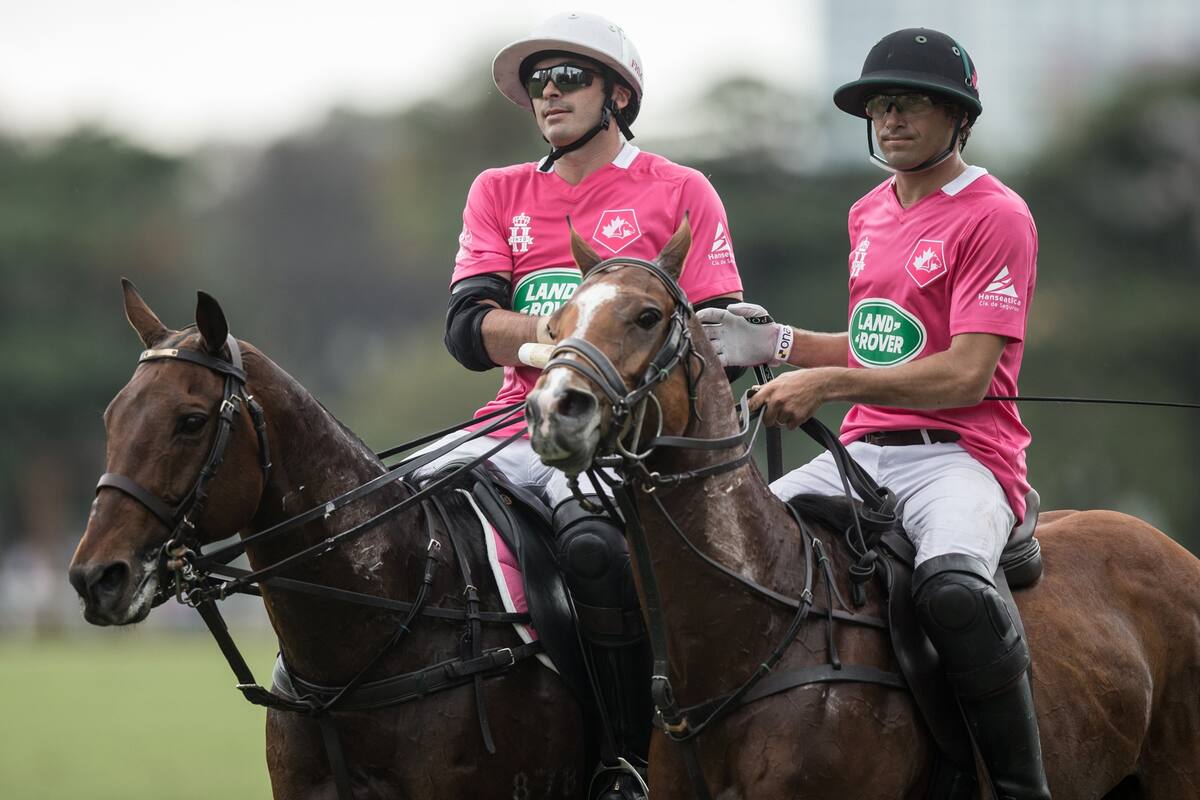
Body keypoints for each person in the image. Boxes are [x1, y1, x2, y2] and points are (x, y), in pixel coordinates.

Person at [696, 28, 1051, 800]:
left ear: (959, 118)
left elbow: (965, 371)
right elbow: (877, 347)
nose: (891, 119)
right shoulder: (868, 212)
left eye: (912, 105)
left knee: (954, 589)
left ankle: (1019, 786)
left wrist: (824, 384)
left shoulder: (996, 215)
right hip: (864, 452)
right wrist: (782, 341)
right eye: (881, 106)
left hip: (962, 458)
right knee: (726, 555)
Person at [426, 11, 745, 795]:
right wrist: (571, 331)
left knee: (595, 555)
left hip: (625, 442)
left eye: (570, 78)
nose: (549, 94)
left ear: (619, 97)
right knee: (407, 520)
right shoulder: (500, 192)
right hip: (507, 426)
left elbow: (717, 343)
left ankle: (626, 758)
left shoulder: (680, 191)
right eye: (538, 83)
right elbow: (469, 330)